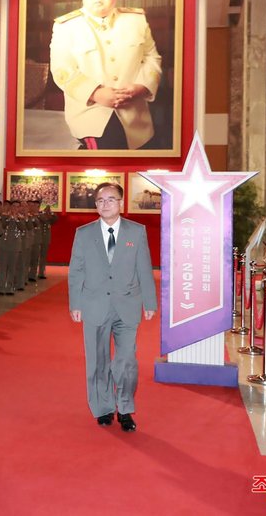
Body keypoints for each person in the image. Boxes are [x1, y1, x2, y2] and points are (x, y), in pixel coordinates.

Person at [68, 182, 156, 433]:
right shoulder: (84, 233)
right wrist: (76, 303)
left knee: (126, 361)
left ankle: (125, 408)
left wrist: (149, 302)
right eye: (100, 200)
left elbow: (144, 268)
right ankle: (103, 408)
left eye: (110, 199)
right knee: (97, 360)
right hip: (94, 304)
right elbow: (76, 271)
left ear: (120, 203)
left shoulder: (136, 231)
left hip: (127, 304)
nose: (104, 204)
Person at [49, 0, 162, 150]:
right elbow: (62, 69)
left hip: (137, 120)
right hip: (91, 116)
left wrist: (141, 87)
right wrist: (95, 93)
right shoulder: (66, 27)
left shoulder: (136, 20)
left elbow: (152, 57)